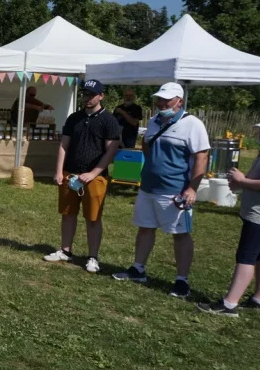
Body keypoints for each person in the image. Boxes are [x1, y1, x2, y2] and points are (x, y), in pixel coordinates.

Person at [112, 83, 210, 298]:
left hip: (175, 190)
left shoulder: (193, 124)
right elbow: (147, 144)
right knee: (145, 227)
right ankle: (138, 268)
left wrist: (192, 188)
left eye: (167, 100)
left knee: (180, 235)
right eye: (159, 99)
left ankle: (182, 280)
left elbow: (202, 157)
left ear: (179, 101)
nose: (161, 103)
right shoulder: (154, 122)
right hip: (148, 187)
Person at [43, 80, 121, 274]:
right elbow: (64, 145)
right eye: (85, 94)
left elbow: (111, 151)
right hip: (71, 174)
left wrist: (93, 173)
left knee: (93, 218)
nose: (87, 98)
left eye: (91, 95)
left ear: (101, 96)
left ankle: (93, 256)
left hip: (95, 177)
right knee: (68, 214)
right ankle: (65, 250)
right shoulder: (74, 118)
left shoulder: (109, 120)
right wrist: (59, 171)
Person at [198, 122, 260, 316]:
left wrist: (242, 181)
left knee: (246, 256)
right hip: (255, 212)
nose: (259, 134)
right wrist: (241, 184)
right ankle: (259, 298)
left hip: (259, 215)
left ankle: (229, 304)